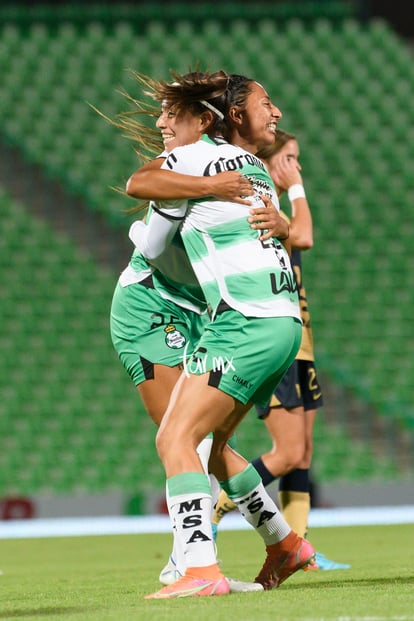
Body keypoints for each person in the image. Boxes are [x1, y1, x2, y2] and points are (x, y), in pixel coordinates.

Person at [127, 73, 315, 599]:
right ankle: (283, 545)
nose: (275, 112)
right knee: (213, 442)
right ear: (234, 114)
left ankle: (198, 570)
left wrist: (193, 192)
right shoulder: (253, 168)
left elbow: (138, 182)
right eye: (266, 102)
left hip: (245, 321)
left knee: (175, 438)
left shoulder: (198, 157)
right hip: (282, 324)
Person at [210, 129, 350, 571]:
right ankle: (217, 509)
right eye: (291, 159)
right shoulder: (264, 210)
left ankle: (301, 548)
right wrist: (298, 190)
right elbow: (302, 236)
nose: (298, 167)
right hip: (280, 345)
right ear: (271, 164)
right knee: (287, 452)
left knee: (303, 454)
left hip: (303, 345)